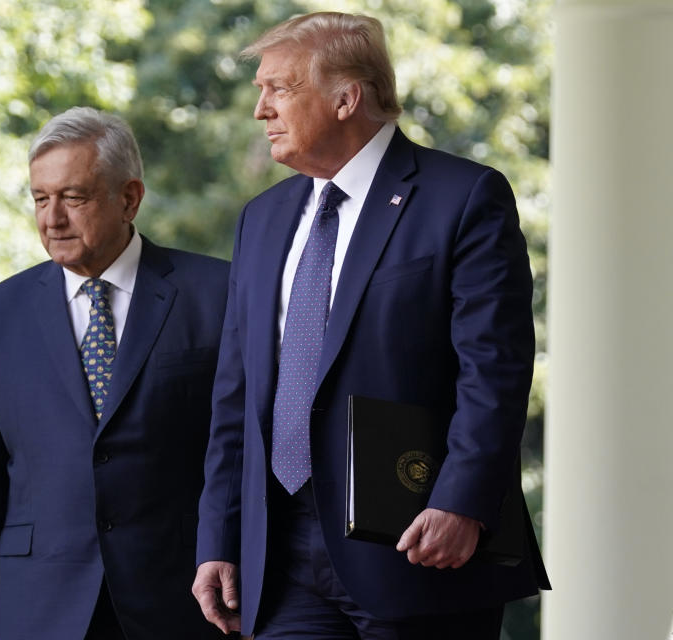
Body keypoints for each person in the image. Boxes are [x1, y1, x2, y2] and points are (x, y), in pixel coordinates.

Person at [192, 12, 549, 639]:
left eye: (279, 88)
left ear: (345, 98)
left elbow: (493, 369)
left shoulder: (464, 197)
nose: (261, 110)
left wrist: (461, 500)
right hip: (280, 556)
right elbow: (236, 393)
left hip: (419, 543)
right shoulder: (262, 218)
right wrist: (219, 537)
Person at [0, 107, 229, 640]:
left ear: (129, 198)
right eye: (40, 199)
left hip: (183, 604)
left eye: (72, 198)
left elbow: (241, 454)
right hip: (40, 608)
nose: (52, 219)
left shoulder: (218, 294)